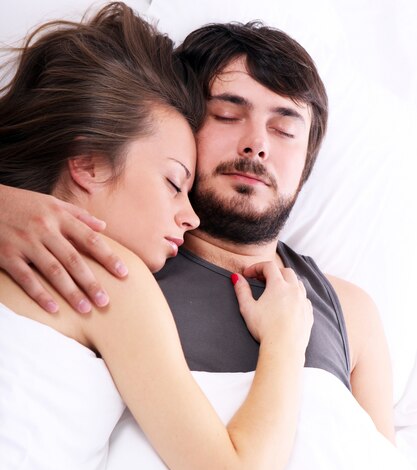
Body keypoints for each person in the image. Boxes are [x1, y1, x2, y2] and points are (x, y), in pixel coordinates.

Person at [0, 0, 315, 470]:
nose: (189, 215)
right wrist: (287, 342)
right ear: (89, 164)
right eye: (175, 183)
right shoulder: (110, 275)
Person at [0, 18, 395, 444]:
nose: (256, 143)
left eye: (284, 129)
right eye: (227, 115)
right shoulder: (108, 248)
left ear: (306, 165)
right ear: (183, 129)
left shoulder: (351, 312)